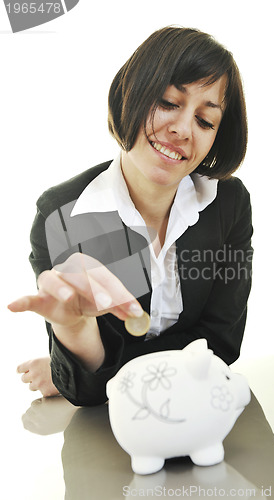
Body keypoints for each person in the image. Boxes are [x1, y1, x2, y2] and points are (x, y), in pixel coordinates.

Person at [8, 26, 253, 407]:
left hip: (201, 410)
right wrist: (74, 333)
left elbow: (221, 344)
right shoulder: (61, 214)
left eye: (206, 122)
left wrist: (72, 369)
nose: (183, 129)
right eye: (169, 102)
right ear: (130, 96)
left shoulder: (229, 204)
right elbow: (86, 393)